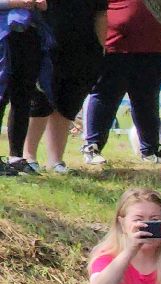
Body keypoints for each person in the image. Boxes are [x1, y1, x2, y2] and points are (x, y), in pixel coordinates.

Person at [83, 0, 161, 165]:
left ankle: (151, 151)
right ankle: (92, 147)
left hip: (154, 49)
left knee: (148, 101)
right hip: (114, 47)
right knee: (104, 97)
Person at [22, 0, 101, 174]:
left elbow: (100, 14)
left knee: (67, 105)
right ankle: (28, 157)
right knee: (39, 103)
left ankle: (56, 160)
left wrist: (101, 48)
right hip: (43, 46)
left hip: (82, 51)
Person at [0, 0, 52, 175]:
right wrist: (18, 2)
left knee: (23, 96)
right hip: (3, 36)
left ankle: (16, 157)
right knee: (1, 95)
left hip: (30, 35)